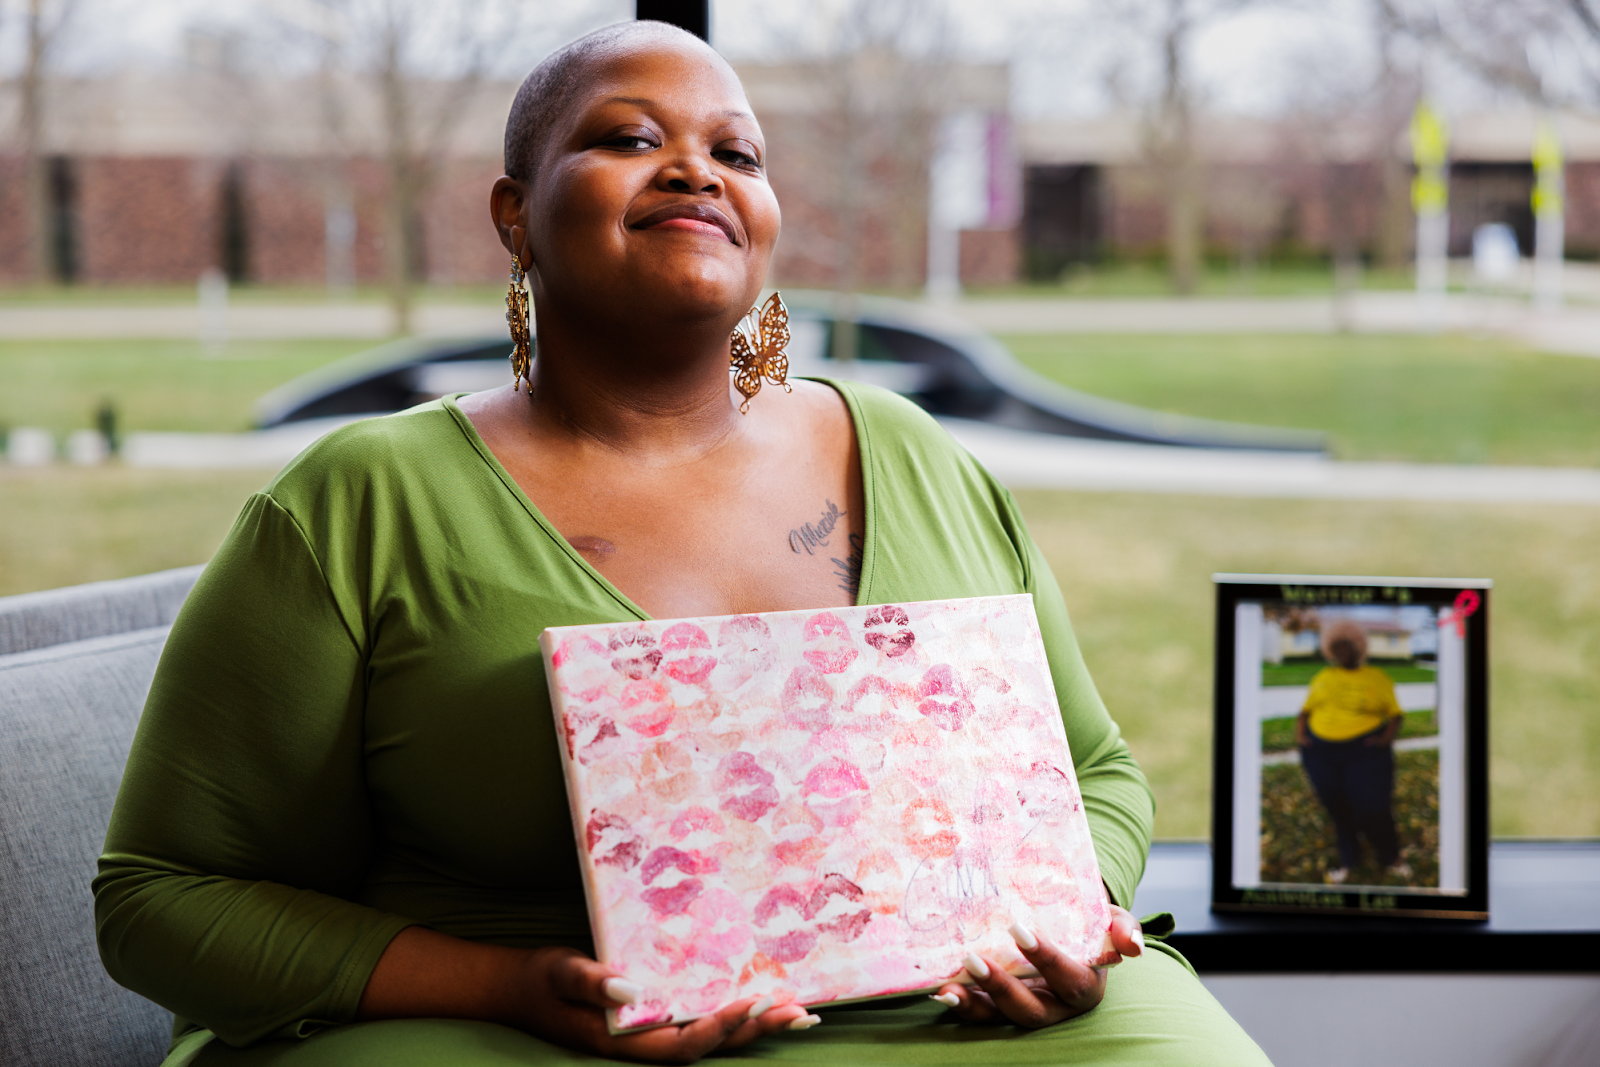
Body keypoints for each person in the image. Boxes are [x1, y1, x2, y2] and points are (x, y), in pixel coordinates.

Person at [94, 21, 1268, 1066]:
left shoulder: (917, 454)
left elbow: (1098, 779)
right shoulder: (363, 498)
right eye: (627, 136)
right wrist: (506, 984)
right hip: (501, 1017)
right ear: (515, 213)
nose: (695, 167)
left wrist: (1062, 915)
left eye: (737, 152)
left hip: (954, 1008)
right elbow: (159, 897)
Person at [1294, 618, 1409, 885]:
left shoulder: (1377, 677)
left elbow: (1395, 715)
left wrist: (1384, 741)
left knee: (1373, 807)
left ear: (1359, 647)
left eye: (1347, 645)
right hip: (1320, 751)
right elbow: (1305, 711)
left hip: (1363, 750)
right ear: (1329, 650)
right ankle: (1350, 858)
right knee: (1338, 806)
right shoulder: (1323, 676)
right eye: (1336, 647)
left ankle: (1391, 857)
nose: (1341, 651)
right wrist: (1301, 736)